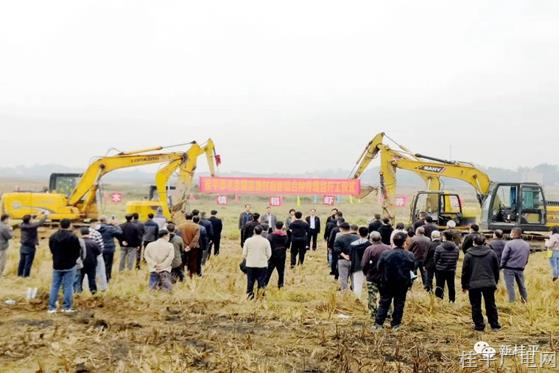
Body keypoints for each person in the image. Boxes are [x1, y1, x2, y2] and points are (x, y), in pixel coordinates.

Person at [374, 232, 416, 330]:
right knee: (399, 303)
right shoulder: (409, 255)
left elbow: (379, 267)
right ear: (404, 242)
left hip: (386, 282)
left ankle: (378, 323)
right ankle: (395, 324)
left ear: (393, 242)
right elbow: (413, 267)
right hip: (402, 283)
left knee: (384, 302)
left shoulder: (385, 253)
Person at [461, 235, 501, 331]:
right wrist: (495, 281)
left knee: (475, 305)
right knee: (491, 304)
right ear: (484, 242)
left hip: (474, 284)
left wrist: (464, 285)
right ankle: (494, 324)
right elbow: (496, 269)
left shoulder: (468, 255)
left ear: (473, 243)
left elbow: (465, 272)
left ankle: (479, 325)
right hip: (489, 283)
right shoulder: (491, 253)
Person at [48, 219, 81, 313]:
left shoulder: (53, 236)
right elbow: (77, 251)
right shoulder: (73, 237)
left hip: (57, 264)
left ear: (60, 225)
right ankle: (67, 307)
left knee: (54, 286)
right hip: (70, 265)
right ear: (70, 225)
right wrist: (73, 260)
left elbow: (51, 249)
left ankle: (51, 307)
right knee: (68, 286)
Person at [361, 231, 391, 320]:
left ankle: (373, 314)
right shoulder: (388, 248)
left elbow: (364, 264)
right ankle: (388, 312)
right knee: (386, 296)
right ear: (381, 237)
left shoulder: (369, 249)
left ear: (370, 239)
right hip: (386, 277)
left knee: (372, 296)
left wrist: (366, 273)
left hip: (372, 277)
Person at [500, 228, 530, 303]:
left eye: (511, 233)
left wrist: (501, 266)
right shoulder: (526, 244)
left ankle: (512, 302)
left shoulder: (509, 244)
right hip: (520, 268)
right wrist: (523, 265)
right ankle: (524, 300)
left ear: (514, 234)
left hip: (509, 268)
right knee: (522, 285)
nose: (510, 234)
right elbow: (527, 257)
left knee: (510, 286)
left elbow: (504, 257)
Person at [242, 225, 272, 299]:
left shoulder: (248, 240)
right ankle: (261, 295)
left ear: (254, 231)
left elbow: (244, 254)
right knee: (261, 281)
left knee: (250, 281)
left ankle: (250, 295)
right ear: (261, 232)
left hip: (250, 264)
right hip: (262, 264)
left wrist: (249, 259)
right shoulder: (265, 241)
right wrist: (264, 259)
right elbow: (269, 254)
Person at [18, 213, 48, 277]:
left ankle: (19, 274)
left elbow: (28, 220)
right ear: (29, 220)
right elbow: (40, 222)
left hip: (22, 246)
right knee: (28, 263)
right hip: (30, 247)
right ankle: (25, 276)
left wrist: (38, 214)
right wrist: (45, 215)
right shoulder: (31, 226)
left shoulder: (22, 224)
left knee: (22, 261)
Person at [434, 231, 460, 302]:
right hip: (451, 270)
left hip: (440, 270)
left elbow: (435, 259)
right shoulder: (456, 248)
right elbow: (456, 258)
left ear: (444, 237)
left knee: (439, 285)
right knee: (451, 286)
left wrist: (437, 265)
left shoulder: (439, 248)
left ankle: (439, 299)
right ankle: (452, 300)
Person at [334, 222, 359, 291]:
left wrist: (344, 255)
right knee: (354, 278)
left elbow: (336, 249)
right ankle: (355, 292)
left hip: (343, 260)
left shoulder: (339, 238)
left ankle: (345, 293)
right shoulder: (357, 238)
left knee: (343, 278)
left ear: (341, 229)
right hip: (355, 260)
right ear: (349, 228)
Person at [76, 227, 101, 295]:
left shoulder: (78, 242)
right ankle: (93, 291)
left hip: (81, 264)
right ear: (89, 233)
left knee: (80, 278)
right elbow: (99, 252)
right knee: (92, 278)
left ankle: (78, 291)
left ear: (81, 233)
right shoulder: (93, 243)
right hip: (92, 263)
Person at [97, 216, 122, 283]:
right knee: (108, 264)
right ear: (105, 221)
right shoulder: (110, 228)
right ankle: (107, 278)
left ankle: (100, 277)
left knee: (100, 264)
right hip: (109, 249)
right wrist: (116, 225)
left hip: (99, 248)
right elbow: (120, 233)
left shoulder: (96, 229)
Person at [266, 221, 290, 288]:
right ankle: (280, 286)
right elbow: (287, 246)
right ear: (282, 227)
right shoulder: (285, 236)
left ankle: (264, 285)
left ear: (275, 226)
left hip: (272, 256)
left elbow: (268, 246)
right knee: (281, 272)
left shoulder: (270, 236)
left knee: (268, 273)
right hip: (281, 256)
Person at [349, 227, 370, 298]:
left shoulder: (352, 244)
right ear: (368, 234)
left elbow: (350, 257)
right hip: (368, 268)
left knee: (357, 285)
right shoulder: (369, 245)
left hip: (356, 266)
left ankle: (357, 299)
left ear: (358, 233)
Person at [88, 225, 107, 292]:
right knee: (100, 272)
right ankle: (102, 287)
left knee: (88, 273)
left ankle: (87, 288)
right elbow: (101, 246)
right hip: (97, 255)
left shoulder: (84, 232)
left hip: (87, 256)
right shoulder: (97, 233)